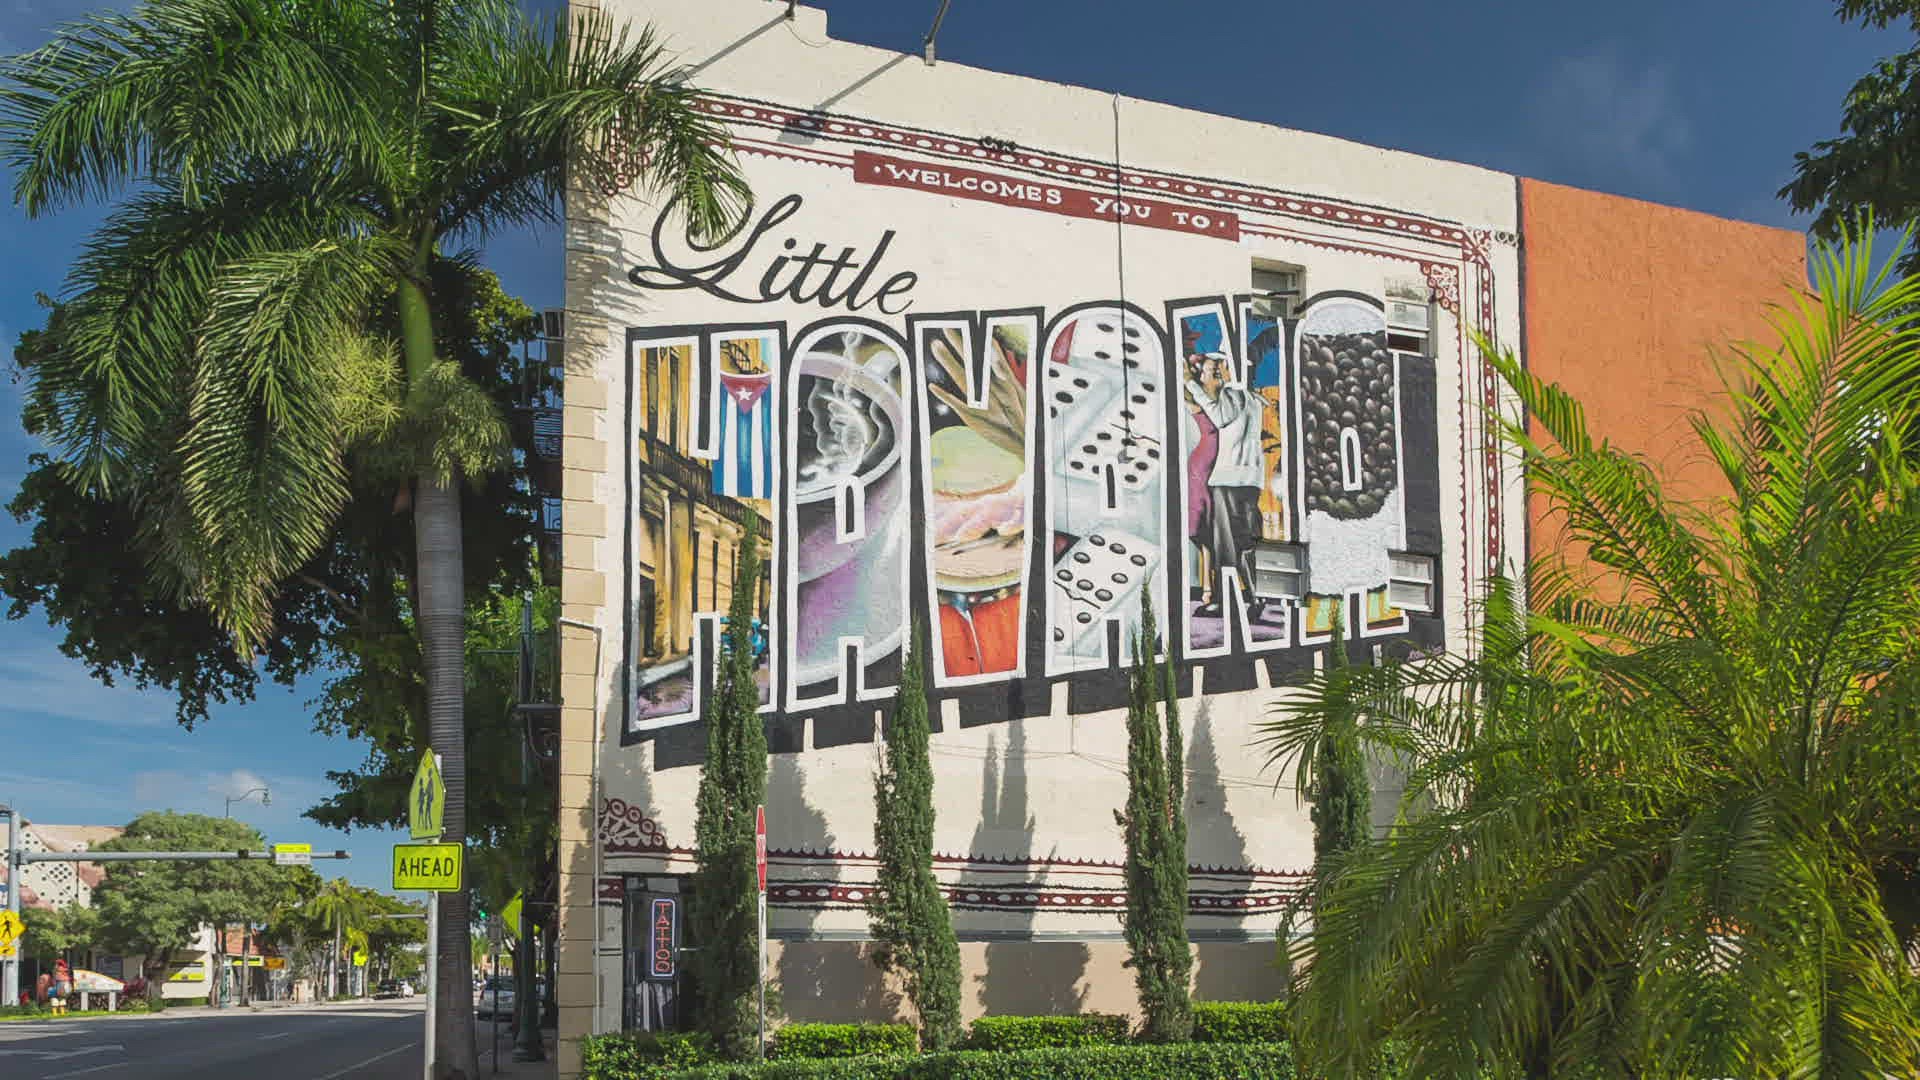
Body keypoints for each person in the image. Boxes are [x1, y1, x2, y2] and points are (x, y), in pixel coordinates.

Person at [1186, 353, 1268, 618]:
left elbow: (1220, 416)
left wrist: (1190, 384)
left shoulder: (1233, 394)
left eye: (1224, 366)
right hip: (1250, 480)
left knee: (1225, 546)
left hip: (1228, 480)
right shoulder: (1254, 399)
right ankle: (1256, 597)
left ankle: (1224, 601)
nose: (1221, 370)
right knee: (1246, 542)